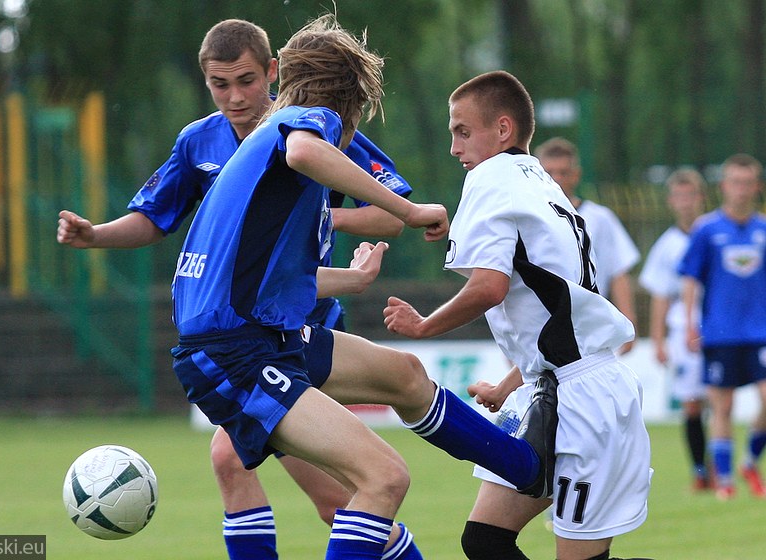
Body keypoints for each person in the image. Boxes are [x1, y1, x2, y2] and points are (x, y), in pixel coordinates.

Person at [170, 16, 559, 560]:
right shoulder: (307, 119)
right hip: (237, 350)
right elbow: (308, 152)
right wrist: (407, 208)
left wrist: (349, 279)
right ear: (352, 101)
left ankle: (529, 469)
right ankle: (530, 467)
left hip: (265, 334)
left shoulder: (260, 152)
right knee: (383, 478)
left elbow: (259, 280)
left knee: (404, 375)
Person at [57, 18, 423, 559]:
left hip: (299, 333)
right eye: (219, 84)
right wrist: (95, 236)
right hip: (239, 340)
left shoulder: (308, 127)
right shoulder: (198, 141)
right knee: (266, 472)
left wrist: (327, 215)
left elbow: (388, 214)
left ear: (273, 72)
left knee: (334, 495)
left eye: (247, 81)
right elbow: (156, 218)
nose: (235, 97)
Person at [383, 70, 652, 560]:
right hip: (558, 389)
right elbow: (556, 309)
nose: (453, 147)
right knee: (485, 538)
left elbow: (489, 287)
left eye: (462, 131)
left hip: (583, 402)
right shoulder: (539, 182)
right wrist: (509, 384)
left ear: (502, 131)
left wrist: (424, 326)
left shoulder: (490, 179)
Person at [679, 153, 766, 501]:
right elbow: (689, 279)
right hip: (720, 333)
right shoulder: (707, 229)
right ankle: (726, 481)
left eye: (748, 183)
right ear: (723, 186)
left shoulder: (763, 229)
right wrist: (688, 323)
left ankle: (749, 461)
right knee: (723, 408)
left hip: (760, 332)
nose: (742, 190)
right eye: (735, 182)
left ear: (757, 187)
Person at [638, 167, 710, 491]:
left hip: (723, 324)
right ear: (671, 201)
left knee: (724, 401)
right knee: (693, 402)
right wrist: (658, 340)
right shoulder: (667, 245)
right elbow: (660, 295)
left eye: (690, 195)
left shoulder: (714, 233)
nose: (685, 203)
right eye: (679, 196)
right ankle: (700, 469)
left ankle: (729, 466)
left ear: (702, 198)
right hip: (684, 328)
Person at [534, 137, 640, 354]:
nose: (556, 179)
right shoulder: (530, 218)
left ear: (576, 175)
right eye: (550, 172)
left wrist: (629, 320)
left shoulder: (600, 218)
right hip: (539, 324)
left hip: (590, 326)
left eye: (563, 172)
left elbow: (618, 271)